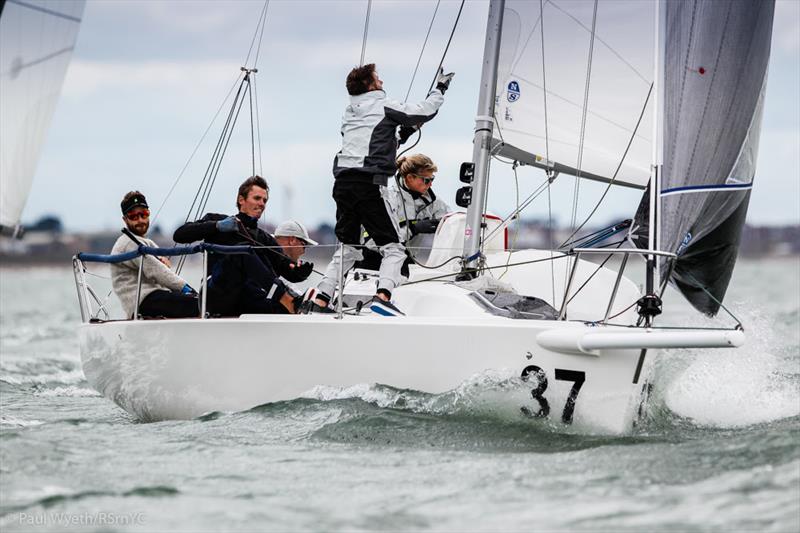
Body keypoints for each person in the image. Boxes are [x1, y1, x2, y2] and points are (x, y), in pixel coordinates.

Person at [311, 63, 454, 315]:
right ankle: (383, 297)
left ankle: (321, 299)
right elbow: (424, 110)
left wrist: (404, 133)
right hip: (368, 185)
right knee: (394, 248)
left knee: (349, 248)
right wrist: (440, 88)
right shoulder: (384, 106)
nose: (382, 83)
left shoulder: (350, 112)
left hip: (342, 185)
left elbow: (376, 141)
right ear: (369, 84)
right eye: (378, 79)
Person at [173, 176, 313, 316]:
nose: (262, 204)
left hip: (248, 298)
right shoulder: (218, 220)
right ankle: (286, 299)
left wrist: (299, 273)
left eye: (265, 200)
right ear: (241, 200)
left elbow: (285, 268)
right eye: (257, 198)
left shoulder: (264, 238)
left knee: (283, 311)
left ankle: (289, 304)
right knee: (241, 251)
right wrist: (216, 226)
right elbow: (179, 235)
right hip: (217, 295)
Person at [111, 191, 198, 319]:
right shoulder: (129, 243)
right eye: (133, 216)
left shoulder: (144, 242)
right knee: (198, 303)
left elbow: (161, 267)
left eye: (144, 214)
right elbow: (158, 272)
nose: (140, 220)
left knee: (196, 302)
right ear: (125, 219)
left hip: (152, 298)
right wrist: (187, 289)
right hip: (143, 301)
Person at [358, 154, 450, 272]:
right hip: (373, 261)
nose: (430, 184)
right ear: (410, 177)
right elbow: (373, 241)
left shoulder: (434, 202)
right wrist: (413, 228)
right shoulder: (387, 199)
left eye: (432, 179)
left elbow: (452, 220)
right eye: (426, 180)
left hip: (406, 261)